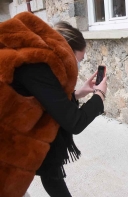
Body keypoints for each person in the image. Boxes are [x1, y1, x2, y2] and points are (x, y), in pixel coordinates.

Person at [0, 12, 106, 197]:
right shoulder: (38, 67)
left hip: (16, 142)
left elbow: (48, 99)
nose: (78, 65)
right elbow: (74, 122)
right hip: (7, 148)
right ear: (66, 50)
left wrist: (80, 92)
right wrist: (100, 95)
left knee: (49, 174)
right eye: (78, 60)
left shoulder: (43, 61)